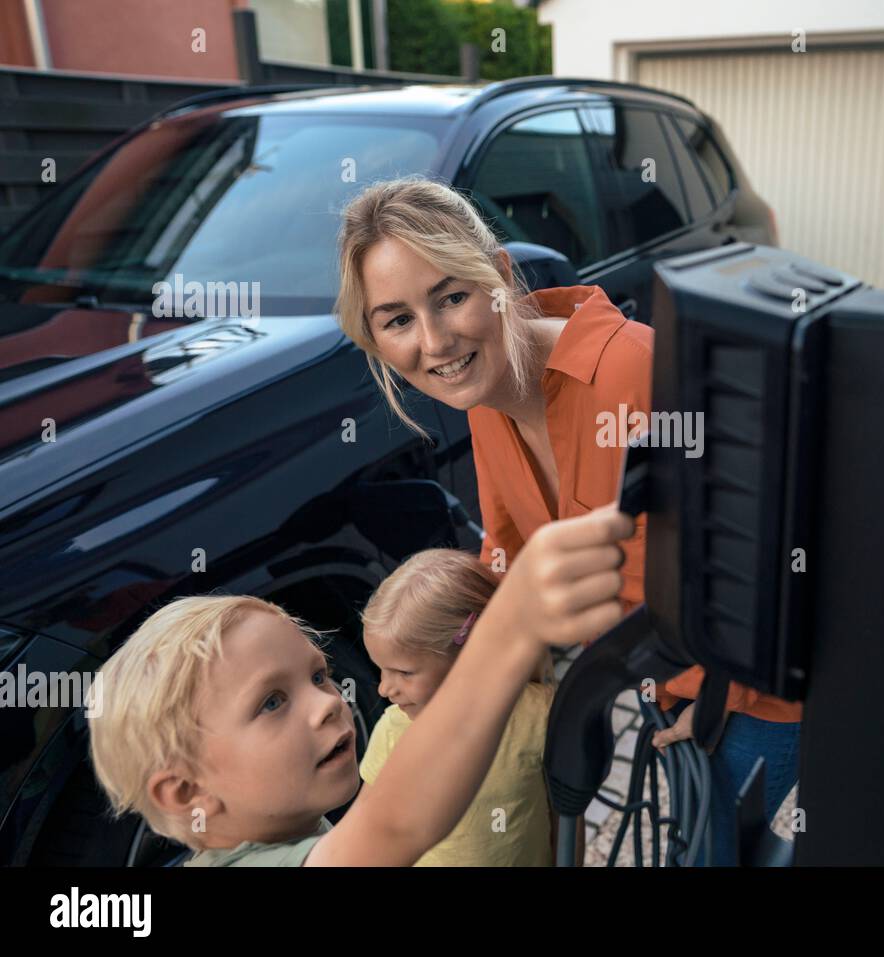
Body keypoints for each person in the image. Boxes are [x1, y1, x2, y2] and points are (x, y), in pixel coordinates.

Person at [334, 176, 802, 865]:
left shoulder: (633, 369)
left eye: (451, 297)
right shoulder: (485, 400)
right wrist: (439, 649)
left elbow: (766, 552)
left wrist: (707, 699)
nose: (433, 341)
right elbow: (512, 565)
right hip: (667, 690)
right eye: (398, 319)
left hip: (752, 692)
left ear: (497, 276)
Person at [86, 507, 633, 866]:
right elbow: (395, 825)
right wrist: (508, 632)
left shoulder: (298, 829)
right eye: (271, 701)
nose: (329, 704)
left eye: (319, 675)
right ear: (188, 794)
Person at [357, 548, 553, 865]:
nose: (384, 688)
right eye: (381, 669)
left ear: (473, 648)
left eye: (404, 672)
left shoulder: (538, 716)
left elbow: (564, 812)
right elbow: (364, 833)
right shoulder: (394, 731)